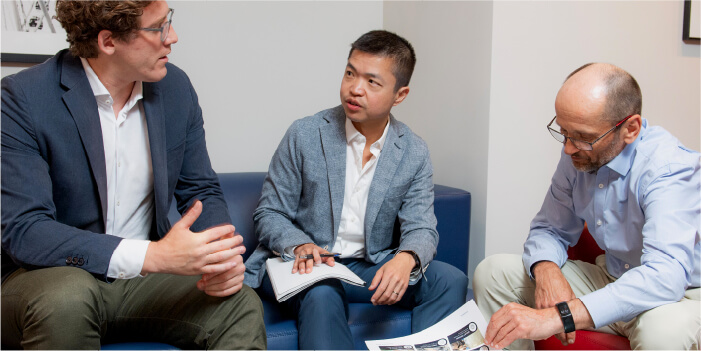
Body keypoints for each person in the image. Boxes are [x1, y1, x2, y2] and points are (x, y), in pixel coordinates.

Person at [1, 1, 266, 349]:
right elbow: (26, 230)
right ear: (108, 41)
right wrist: (151, 256)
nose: (172, 37)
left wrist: (221, 259)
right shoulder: (22, 98)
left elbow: (200, 189)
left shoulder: (176, 89)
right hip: (47, 280)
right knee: (68, 297)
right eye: (157, 28)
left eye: (168, 22)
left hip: (142, 284)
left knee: (240, 302)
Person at [243, 30, 468, 349]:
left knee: (450, 280)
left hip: (367, 266)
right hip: (305, 265)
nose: (354, 88)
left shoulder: (413, 151)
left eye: (372, 82)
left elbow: (422, 226)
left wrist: (406, 257)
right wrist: (301, 244)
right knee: (323, 290)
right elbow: (270, 213)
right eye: (350, 73)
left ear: (400, 94)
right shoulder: (305, 134)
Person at [473, 63, 700, 350]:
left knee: (663, 330)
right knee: (492, 272)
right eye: (563, 131)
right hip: (613, 277)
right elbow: (549, 227)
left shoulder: (669, 169)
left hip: (681, 296)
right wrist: (546, 269)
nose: (568, 147)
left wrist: (562, 315)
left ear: (630, 128)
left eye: (582, 136)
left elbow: (665, 276)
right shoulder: (579, 154)